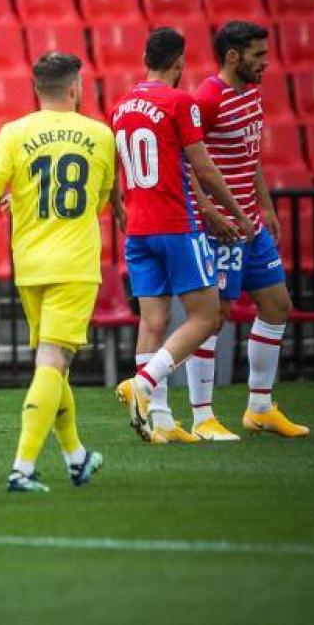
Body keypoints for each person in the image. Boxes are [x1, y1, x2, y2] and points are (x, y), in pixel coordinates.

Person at [0, 52, 113, 494]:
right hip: (75, 266)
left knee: (54, 364)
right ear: (74, 88)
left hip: (30, 266)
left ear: (36, 89)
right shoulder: (100, 136)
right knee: (53, 362)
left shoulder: (14, 133)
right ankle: (22, 468)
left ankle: (76, 457)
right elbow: (97, 201)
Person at [109, 29, 254, 444]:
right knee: (206, 317)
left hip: (138, 228)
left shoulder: (120, 107)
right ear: (179, 63)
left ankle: (162, 420)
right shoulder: (179, 102)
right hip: (175, 225)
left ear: (144, 58)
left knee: (152, 321)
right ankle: (144, 383)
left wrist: (120, 210)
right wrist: (240, 214)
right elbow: (204, 169)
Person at [180, 22, 309, 438]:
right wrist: (208, 212)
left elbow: (250, 156)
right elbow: (189, 163)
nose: (266, 63)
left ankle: (259, 407)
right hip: (220, 228)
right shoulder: (206, 100)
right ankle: (203, 417)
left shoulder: (251, 92)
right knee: (213, 317)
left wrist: (266, 205)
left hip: (251, 224)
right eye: (257, 55)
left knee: (278, 304)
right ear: (233, 56)